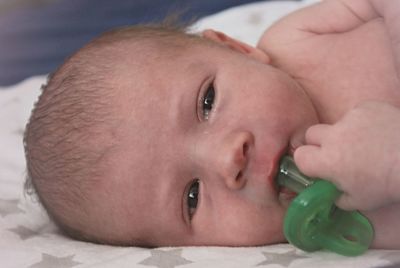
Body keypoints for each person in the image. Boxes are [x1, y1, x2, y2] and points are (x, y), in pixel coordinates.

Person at [24, 0, 400, 249]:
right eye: (192, 198)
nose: (226, 160)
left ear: (236, 48)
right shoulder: (346, 221)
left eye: (207, 102)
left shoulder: (296, 42)